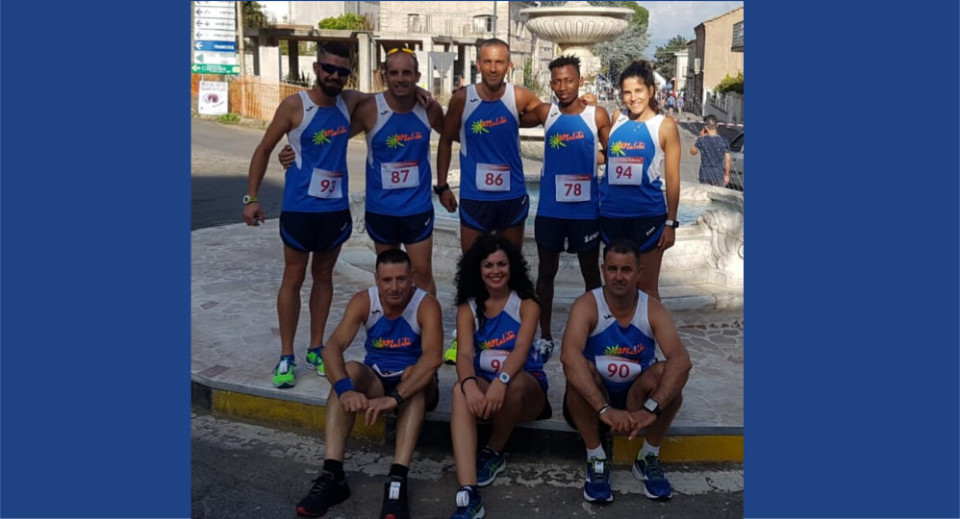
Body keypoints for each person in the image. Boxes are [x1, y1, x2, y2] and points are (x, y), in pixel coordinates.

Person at [243, 42, 372, 388]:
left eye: (342, 71)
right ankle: (287, 355)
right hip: (300, 207)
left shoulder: (349, 103)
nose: (334, 76)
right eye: (328, 68)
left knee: (324, 276)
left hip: (334, 210)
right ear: (316, 68)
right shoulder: (294, 106)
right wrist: (251, 197)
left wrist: (420, 94)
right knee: (294, 277)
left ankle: (316, 348)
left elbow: (389, 96)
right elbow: (264, 149)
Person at [280, 47, 445, 296]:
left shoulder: (429, 109)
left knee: (422, 272)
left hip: (417, 208)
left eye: (407, 73)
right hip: (381, 209)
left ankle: (427, 321)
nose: (401, 78)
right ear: (384, 75)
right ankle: (392, 320)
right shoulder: (370, 109)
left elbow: (450, 136)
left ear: (417, 76)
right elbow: (330, 136)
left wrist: (443, 186)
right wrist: (293, 149)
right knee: (389, 276)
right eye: (394, 73)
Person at [294, 248, 443, 518]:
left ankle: (397, 479)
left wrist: (394, 398)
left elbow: (433, 358)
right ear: (376, 279)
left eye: (401, 279)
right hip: (377, 379)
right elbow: (332, 349)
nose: (394, 287)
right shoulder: (364, 301)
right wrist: (345, 390)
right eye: (387, 280)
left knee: (414, 375)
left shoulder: (426, 304)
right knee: (349, 370)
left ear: (411, 277)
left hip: (415, 386)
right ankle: (332, 474)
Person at [560, 238, 691, 504]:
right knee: (578, 372)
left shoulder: (652, 308)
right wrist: (603, 409)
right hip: (596, 400)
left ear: (639, 273)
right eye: (612, 269)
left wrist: (651, 409)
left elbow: (681, 360)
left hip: (636, 398)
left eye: (626, 270)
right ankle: (596, 458)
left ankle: (648, 456)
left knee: (668, 375)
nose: (618, 277)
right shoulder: (587, 304)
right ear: (603, 270)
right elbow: (568, 356)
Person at [447, 234, 550, 519]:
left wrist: (500, 382)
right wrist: (469, 385)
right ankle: (468, 493)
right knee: (458, 391)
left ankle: (494, 450)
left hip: (525, 390)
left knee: (513, 382)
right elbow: (464, 355)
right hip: (486, 388)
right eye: (488, 265)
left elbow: (521, 349)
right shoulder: (468, 307)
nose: (496, 271)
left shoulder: (527, 304)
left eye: (502, 264)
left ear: (512, 266)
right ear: (477, 269)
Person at [519, 55, 611, 364]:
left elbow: (613, 151)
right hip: (551, 210)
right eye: (557, 81)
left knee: (591, 274)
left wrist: (591, 157)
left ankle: (593, 334)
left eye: (569, 80)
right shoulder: (547, 112)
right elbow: (511, 113)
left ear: (580, 81)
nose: (563, 87)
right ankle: (545, 336)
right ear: (551, 84)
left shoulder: (597, 115)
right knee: (546, 273)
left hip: (586, 212)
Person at [435, 38, 545, 254]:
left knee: (512, 262)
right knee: (472, 264)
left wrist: (582, 104)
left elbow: (548, 113)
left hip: (511, 196)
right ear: (478, 64)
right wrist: (442, 186)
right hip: (475, 197)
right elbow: (445, 140)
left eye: (499, 62)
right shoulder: (463, 98)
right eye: (487, 62)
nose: (493, 69)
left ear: (508, 65)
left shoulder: (519, 96)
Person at [599, 60, 681, 301]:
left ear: (651, 91)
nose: (633, 98)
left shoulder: (664, 126)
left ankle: (650, 328)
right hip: (611, 215)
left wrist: (671, 223)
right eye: (627, 92)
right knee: (616, 287)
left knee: (646, 287)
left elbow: (673, 178)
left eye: (638, 91)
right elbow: (608, 157)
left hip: (647, 216)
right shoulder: (617, 117)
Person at [690, 114, 731, 187]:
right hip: (718, 175)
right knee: (717, 194)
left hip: (704, 175)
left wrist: (700, 136)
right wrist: (727, 175)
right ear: (717, 125)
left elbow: (692, 152)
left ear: (705, 127)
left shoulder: (702, 140)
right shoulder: (724, 141)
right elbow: (728, 159)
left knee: (705, 194)